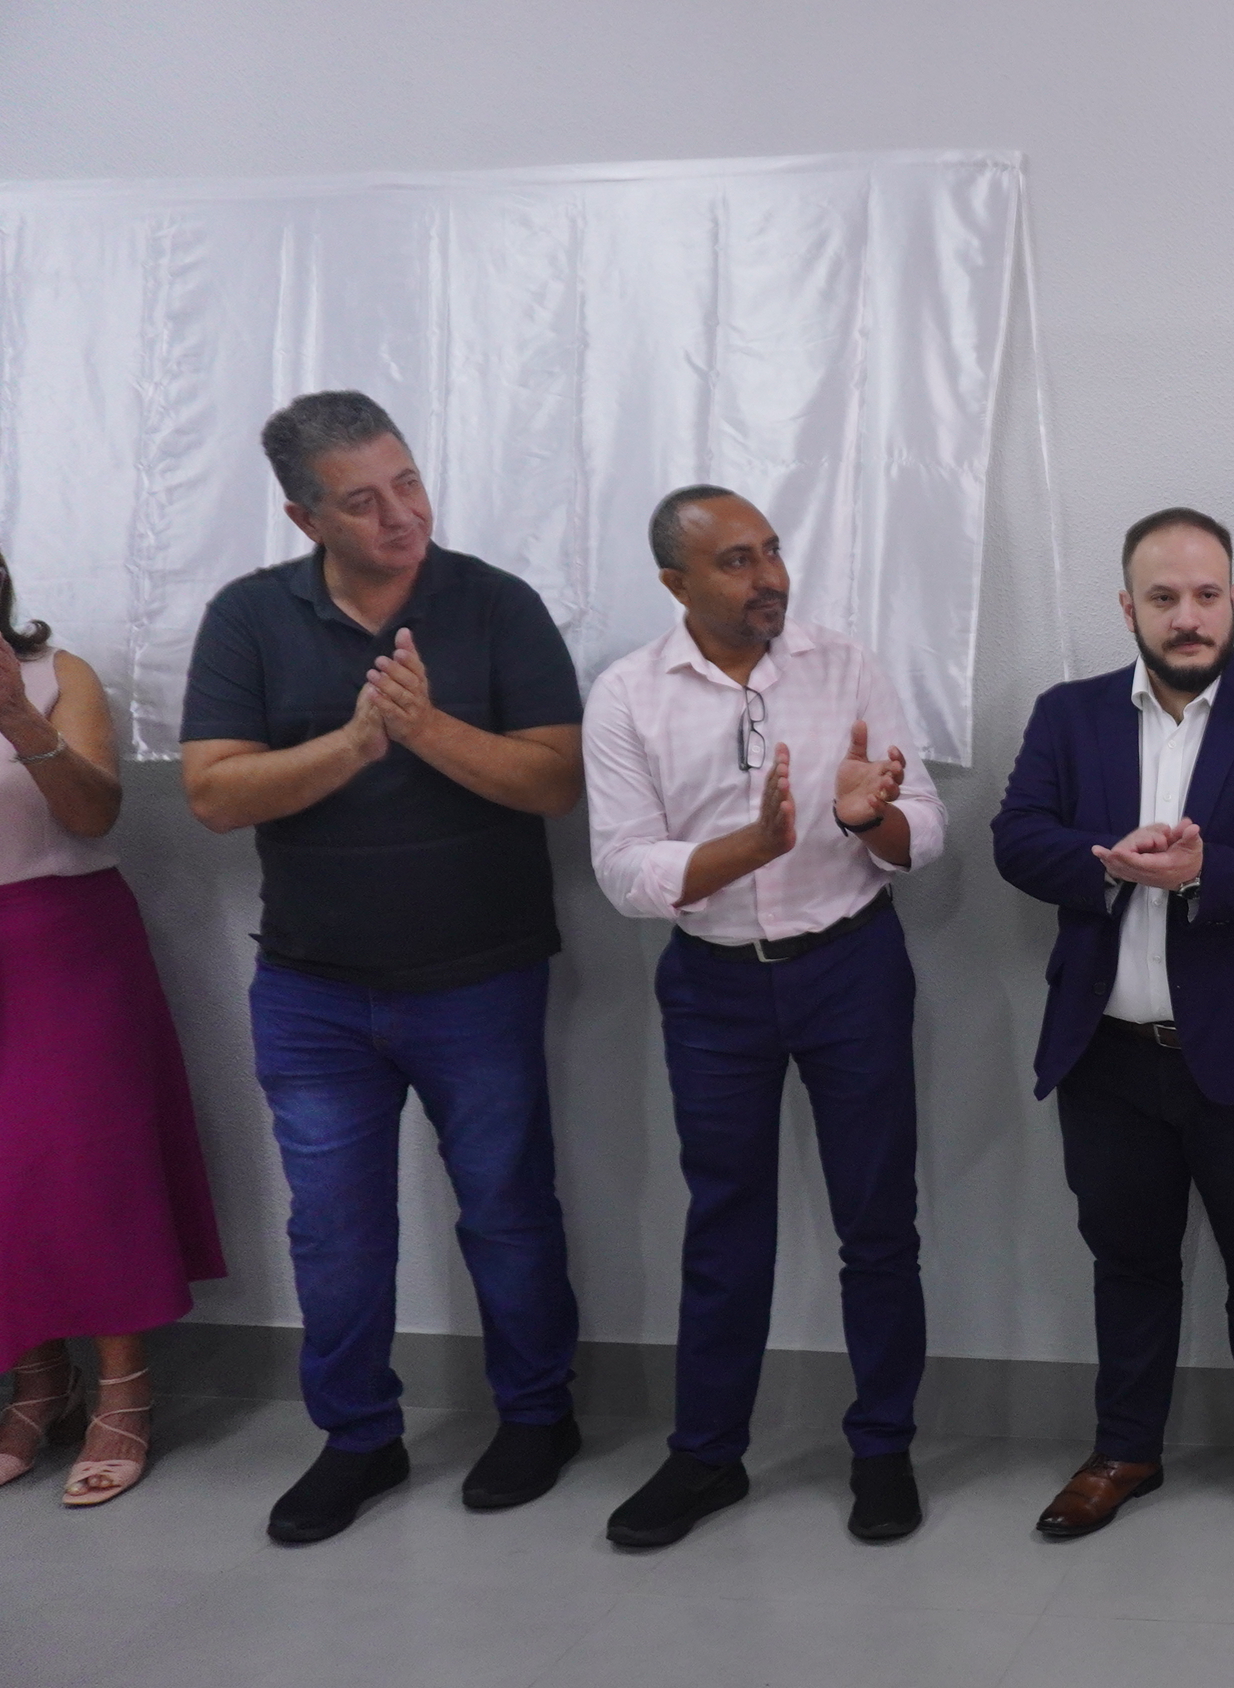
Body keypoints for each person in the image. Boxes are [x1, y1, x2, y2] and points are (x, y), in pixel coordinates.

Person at [182, 391, 585, 1544]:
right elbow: (213, 792)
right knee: (334, 1229)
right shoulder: (250, 616)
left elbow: (556, 781)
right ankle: (359, 1435)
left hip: (479, 977)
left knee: (506, 1210)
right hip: (313, 989)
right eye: (362, 500)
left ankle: (536, 1415)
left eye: (407, 482)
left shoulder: (495, 604)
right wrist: (356, 742)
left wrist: (424, 730)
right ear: (305, 516)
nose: (401, 514)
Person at [584, 485, 947, 1548]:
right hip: (714, 988)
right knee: (725, 1225)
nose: (769, 578)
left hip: (850, 967)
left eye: (772, 551)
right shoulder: (628, 696)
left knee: (877, 1222)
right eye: (736, 561)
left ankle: (881, 1450)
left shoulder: (844, 665)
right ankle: (707, 1456)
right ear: (676, 583)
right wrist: (748, 848)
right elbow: (623, 870)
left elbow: (925, 828)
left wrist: (869, 818)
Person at [993, 507, 1234, 1552]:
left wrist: (1205, 872)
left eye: (1206, 594)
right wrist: (1108, 862)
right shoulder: (1068, 715)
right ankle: (1124, 1450)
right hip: (1107, 1053)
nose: (1187, 616)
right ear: (1128, 608)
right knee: (1127, 1262)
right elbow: (1017, 837)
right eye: (1164, 597)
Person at [0, 549, 226, 1507]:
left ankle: (125, 1390)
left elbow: (96, 814)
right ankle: (39, 1382)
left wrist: (19, 718)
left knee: (87, 1168)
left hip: (62, 942)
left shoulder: (59, 676)